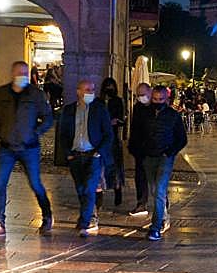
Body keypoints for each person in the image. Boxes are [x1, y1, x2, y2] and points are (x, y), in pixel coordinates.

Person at [0, 61, 54, 241]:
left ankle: (47, 215)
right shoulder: (1, 93)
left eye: (24, 72)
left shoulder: (35, 94)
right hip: (7, 147)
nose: (22, 76)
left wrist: (35, 133)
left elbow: (47, 117)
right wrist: (1, 133)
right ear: (12, 73)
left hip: (29, 148)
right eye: (19, 73)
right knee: (0, 184)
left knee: (35, 184)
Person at [54, 79, 113, 237]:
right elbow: (63, 134)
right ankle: (87, 216)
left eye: (92, 90)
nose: (90, 92)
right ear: (78, 91)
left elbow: (108, 134)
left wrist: (98, 152)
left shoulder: (99, 109)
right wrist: (68, 153)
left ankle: (85, 222)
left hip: (93, 155)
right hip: (76, 155)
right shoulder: (69, 110)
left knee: (89, 188)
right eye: (86, 89)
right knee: (80, 189)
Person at [130, 84, 189, 241]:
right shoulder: (145, 114)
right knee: (154, 189)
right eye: (155, 99)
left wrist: (169, 152)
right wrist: (139, 151)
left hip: (165, 157)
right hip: (148, 156)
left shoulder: (173, 116)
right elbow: (137, 134)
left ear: (167, 99)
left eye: (161, 99)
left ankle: (155, 226)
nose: (157, 101)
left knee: (160, 190)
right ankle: (163, 217)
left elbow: (182, 139)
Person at [126, 82, 153, 217]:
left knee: (156, 180)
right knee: (140, 177)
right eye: (138, 95)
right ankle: (141, 203)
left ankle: (162, 206)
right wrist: (133, 145)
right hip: (140, 149)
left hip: (154, 150)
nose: (141, 97)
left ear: (149, 93)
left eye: (143, 94)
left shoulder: (156, 107)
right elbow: (135, 128)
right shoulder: (137, 108)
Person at [99, 77, 126, 208]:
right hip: (100, 139)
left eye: (111, 86)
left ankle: (117, 189)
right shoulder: (98, 102)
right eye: (107, 86)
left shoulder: (118, 101)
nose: (109, 89)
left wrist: (114, 122)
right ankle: (99, 195)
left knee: (115, 166)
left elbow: (122, 119)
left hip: (113, 138)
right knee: (100, 167)